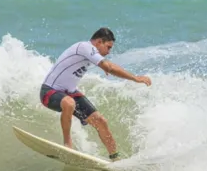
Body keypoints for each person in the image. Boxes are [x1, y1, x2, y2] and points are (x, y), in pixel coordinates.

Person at [39, 27, 152, 161]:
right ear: (99, 42)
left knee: (101, 121)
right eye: (108, 47)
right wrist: (135, 78)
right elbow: (108, 66)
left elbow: (108, 65)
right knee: (69, 103)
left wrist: (107, 66)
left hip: (69, 92)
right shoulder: (85, 47)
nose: (108, 52)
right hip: (49, 92)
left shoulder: (89, 53)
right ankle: (67, 145)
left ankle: (115, 157)